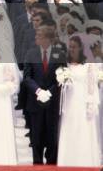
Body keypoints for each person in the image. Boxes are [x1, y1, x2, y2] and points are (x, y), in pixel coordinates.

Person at [57, 36, 101, 166]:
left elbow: (91, 87)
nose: (71, 49)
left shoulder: (88, 66)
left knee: (82, 131)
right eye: (70, 47)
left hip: (82, 103)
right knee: (69, 130)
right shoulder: (66, 64)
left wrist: (90, 105)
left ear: (81, 48)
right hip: (69, 103)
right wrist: (63, 79)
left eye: (74, 47)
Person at [23, 26, 64, 165]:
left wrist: (49, 92)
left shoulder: (59, 53)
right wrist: (38, 91)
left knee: (52, 137)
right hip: (35, 101)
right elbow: (27, 77)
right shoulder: (31, 53)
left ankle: (52, 164)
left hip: (52, 102)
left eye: (39, 36)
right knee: (36, 137)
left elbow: (62, 76)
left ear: (48, 38)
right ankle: (37, 164)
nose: (36, 38)